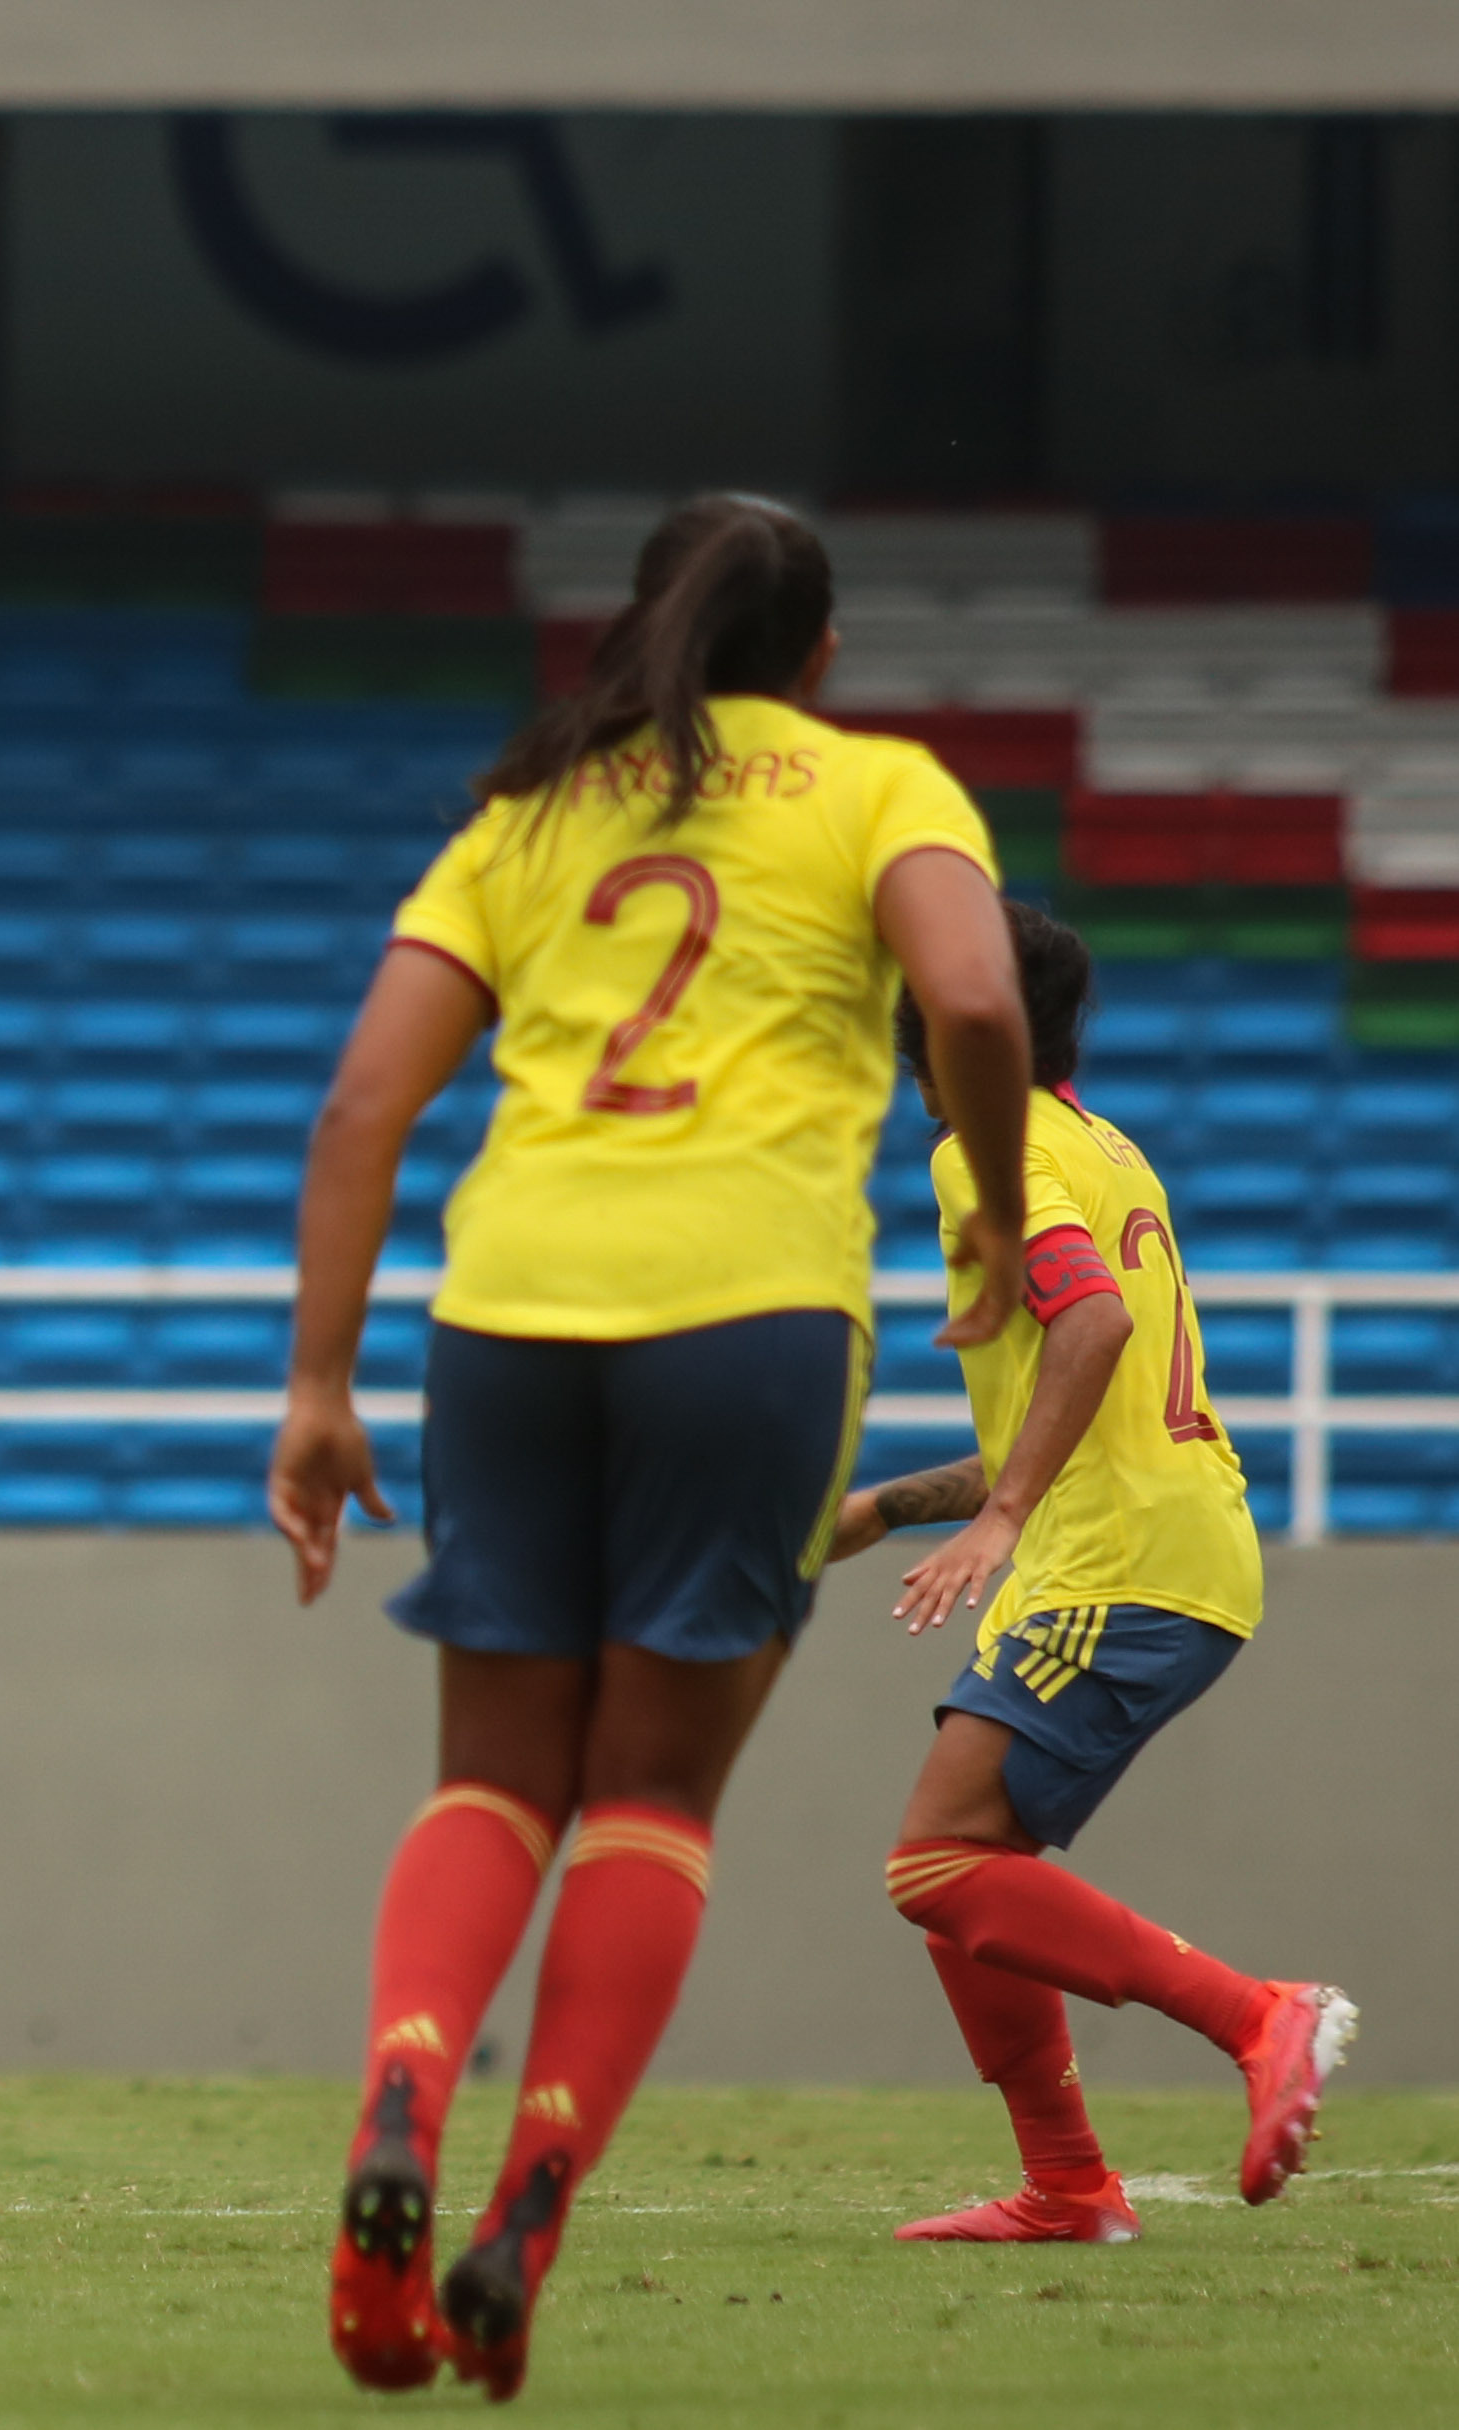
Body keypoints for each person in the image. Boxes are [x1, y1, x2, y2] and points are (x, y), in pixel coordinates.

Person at [268, 493, 1036, 2401]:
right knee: (650, 1800)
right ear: (822, 654)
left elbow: (364, 1103)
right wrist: (1005, 1222)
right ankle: (527, 2205)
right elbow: (973, 995)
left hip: (510, 1318)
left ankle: (403, 2091)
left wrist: (318, 1388)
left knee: (490, 1780)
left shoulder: (533, 813)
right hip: (753, 1321)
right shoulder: (882, 791)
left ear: (646, 621)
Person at [833, 904, 1354, 2244]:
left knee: (937, 1862)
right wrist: (892, 1506)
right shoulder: (1099, 1144)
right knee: (969, 1882)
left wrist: (1002, 1516)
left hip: (1117, 1556)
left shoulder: (982, 1147)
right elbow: (1071, 1399)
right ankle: (1068, 2186)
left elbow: (1095, 1323)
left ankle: (1261, 2015)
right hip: (1161, 1536)